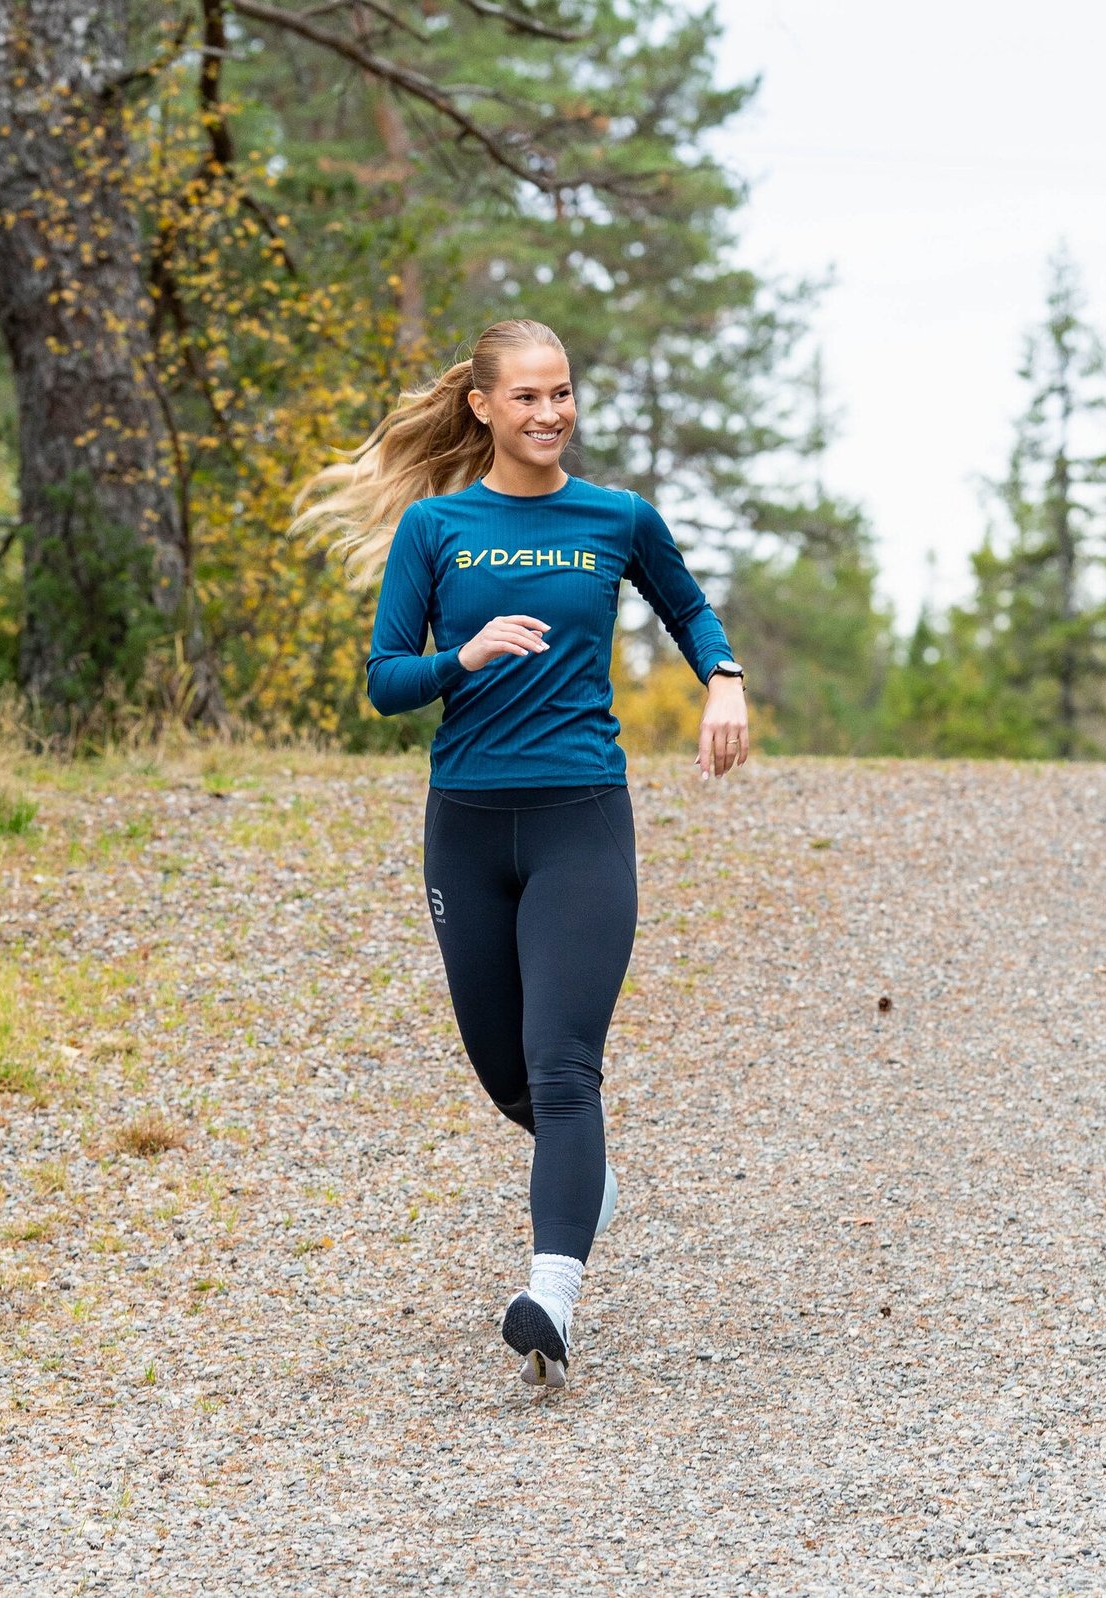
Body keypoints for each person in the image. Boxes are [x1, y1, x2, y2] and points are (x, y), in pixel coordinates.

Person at [292, 318, 749, 1388]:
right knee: (508, 1074)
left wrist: (721, 677)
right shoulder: (436, 527)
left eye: (563, 394)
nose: (550, 413)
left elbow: (688, 609)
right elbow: (384, 679)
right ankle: (581, 1175)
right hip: (465, 824)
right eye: (529, 397)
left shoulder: (616, 517)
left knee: (562, 1062)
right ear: (484, 408)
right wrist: (466, 653)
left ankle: (550, 1297)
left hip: (579, 817)